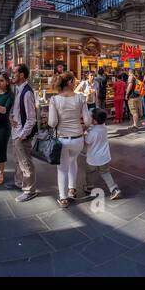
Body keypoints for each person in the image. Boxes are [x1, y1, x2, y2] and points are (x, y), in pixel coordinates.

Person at [48, 71, 91, 207]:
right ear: (70, 82)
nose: (76, 83)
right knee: (73, 161)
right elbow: (88, 121)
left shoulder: (54, 100)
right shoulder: (80, 98)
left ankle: (63, 197)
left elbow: (52, 122)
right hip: (78, 139)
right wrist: (82, 127)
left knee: (62, 168)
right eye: (74, 81)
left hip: (62, 140)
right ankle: (72, 189)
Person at [9, 64, 39, 202]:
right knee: (18, 161)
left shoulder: (27, 93)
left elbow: (32, 118)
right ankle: (20, 183)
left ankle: (29, 190)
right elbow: (17, 111)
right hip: (16, 132)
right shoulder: (18, 89)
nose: (12, 74)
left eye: (14, 72)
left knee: (25, 163)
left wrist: (22, 135)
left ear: (22, 75)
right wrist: (11, 118)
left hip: (21, 135)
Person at [79, 109, 122, 201]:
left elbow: (87, 142)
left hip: (93, 158)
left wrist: (83, 132)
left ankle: (89, 187)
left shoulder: (93, 132)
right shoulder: (104, 127)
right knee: (105, 173)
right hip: (104, 157)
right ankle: (114, 189)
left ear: (94, 121)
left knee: (89, 172)